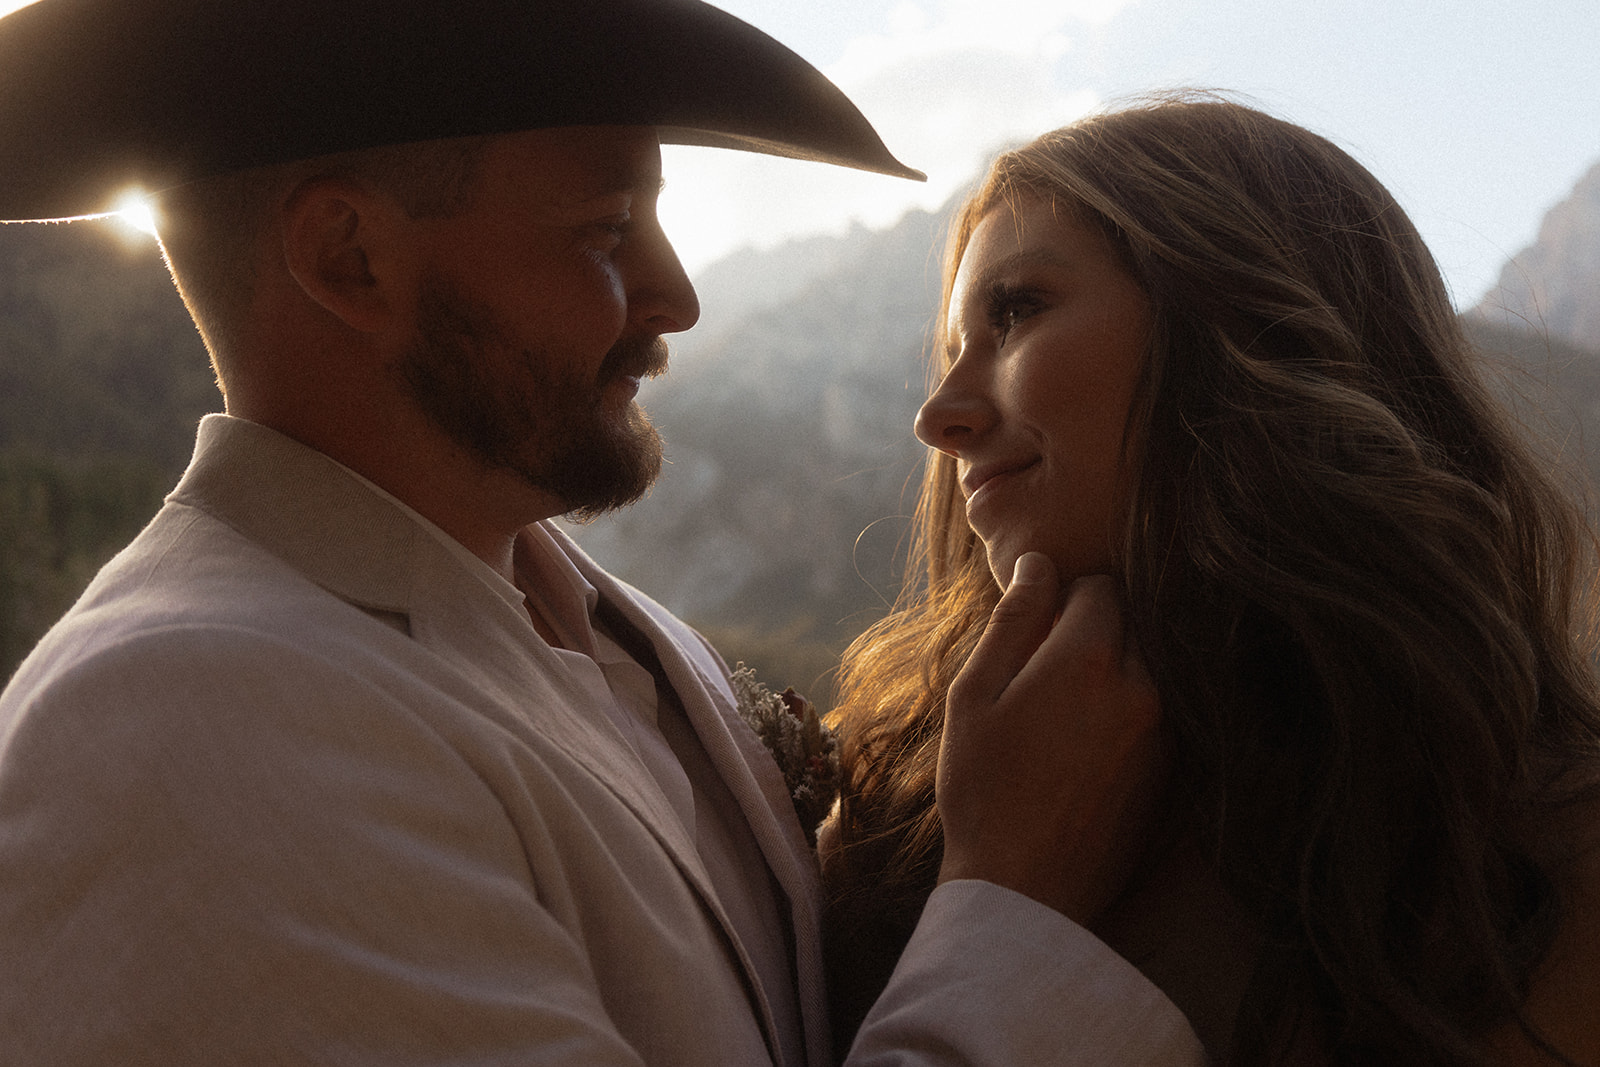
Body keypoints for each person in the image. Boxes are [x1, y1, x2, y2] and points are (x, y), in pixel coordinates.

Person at [0, 1, 1205, 1064]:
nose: (677, 293)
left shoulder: (619, 634)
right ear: (350, 258)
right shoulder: (190, 720)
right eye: (604, 229)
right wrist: (1010, 896)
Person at [821, 94, 1600, 1066]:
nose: (938, 414)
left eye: (1016, 311)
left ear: (1244, 314)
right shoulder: (886, 818)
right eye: (947, 352)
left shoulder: (1555, 845)